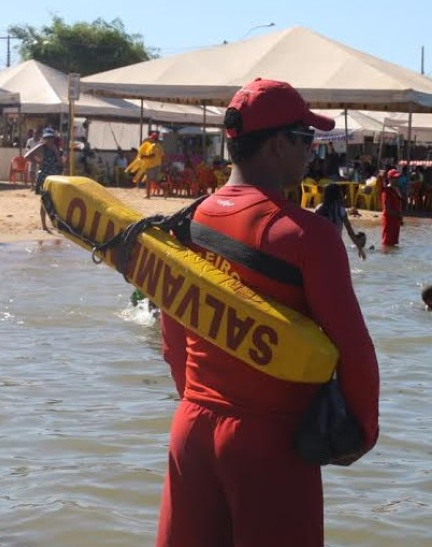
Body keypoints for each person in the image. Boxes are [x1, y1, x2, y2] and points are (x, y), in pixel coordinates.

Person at [156, 78, 380, 547]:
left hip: (191, 430)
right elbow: (354, 351)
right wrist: (360, 432)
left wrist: (197, 396)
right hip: (271, 441)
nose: (311, 153)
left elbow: (173, 336)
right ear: (278, 144)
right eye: (306, 140)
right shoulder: (306, 235)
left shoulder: (187, 222)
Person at [24, 128, 63, 231]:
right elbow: (27, 156)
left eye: (51, 138)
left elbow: (60, 163)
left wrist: (56, 152)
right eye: (47, 138)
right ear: (44, 138)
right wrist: (37, 162)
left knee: (56, 201)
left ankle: (55, 223)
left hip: (55, 178)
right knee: (44, 201)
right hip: (44, 177)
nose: (49, 140)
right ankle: (44, 225)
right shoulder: (41, 147)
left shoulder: (56, 148)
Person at [315, 182, 367, 260]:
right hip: (335, 245)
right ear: (338, 196)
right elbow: (350, 231)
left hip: (320, 245)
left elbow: (313, 228)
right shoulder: (341, 210)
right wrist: (359, 248)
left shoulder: (319, 209)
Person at [136, 131, 164, 197]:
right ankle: (164, 188)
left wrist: (144, 157)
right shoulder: (159, 146)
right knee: (154, 180)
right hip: (157, 165)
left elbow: (152, 155)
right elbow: (162, 156)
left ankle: (148, 195)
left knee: (149, 180)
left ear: (153, 139)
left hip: (151, 165)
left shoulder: (153, 146)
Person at [381, 169, 404, 247]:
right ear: (390, 179)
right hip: (389, 220)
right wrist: (398, 215)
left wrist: (400, 218)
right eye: (395, 178)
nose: (397, 180)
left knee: (393, 244)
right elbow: (387, 209)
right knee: (387, 243)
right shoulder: (386, 191)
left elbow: (399, 204)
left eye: (397, 178)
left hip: (395, 220)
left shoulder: (396, 189)